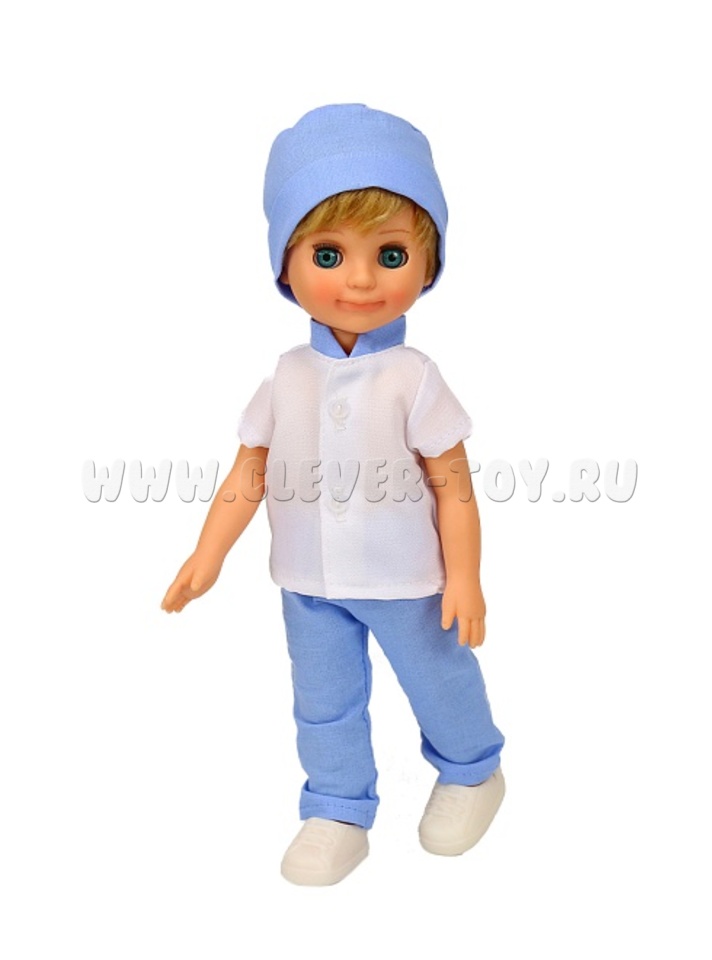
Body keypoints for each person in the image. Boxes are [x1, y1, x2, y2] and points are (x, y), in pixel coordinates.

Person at [162, 104, 505, 886]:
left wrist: (465, 575)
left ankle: (472, 769)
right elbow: (249, 471)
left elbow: (452, 486)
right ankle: (337, 806)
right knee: (323, 699)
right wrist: (206, 555)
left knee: (439, 679)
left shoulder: (413, 378)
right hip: (307, 580)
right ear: (285, 266)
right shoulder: (287, 376)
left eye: (391, 254)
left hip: (408, 580)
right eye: (328, 252)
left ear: (428, 265)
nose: (359, 279)